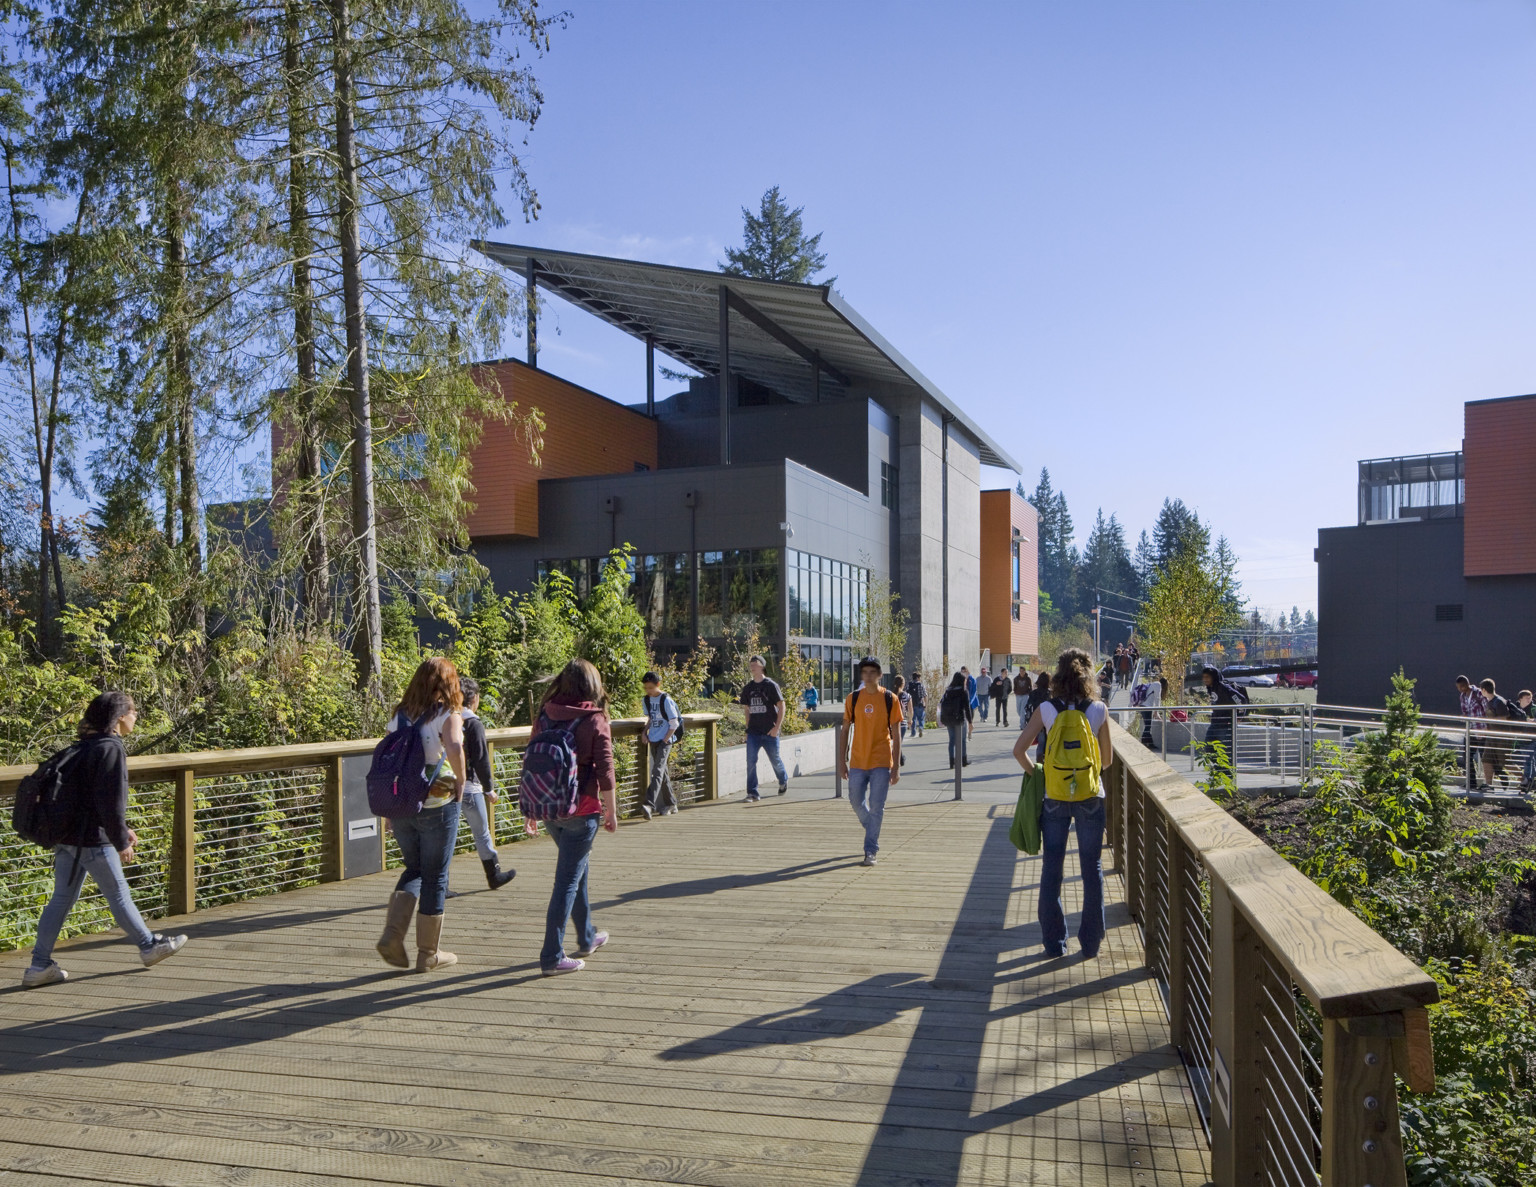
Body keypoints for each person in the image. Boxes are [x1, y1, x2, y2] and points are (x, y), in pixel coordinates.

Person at [22, 691, 188, 989]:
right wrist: (120, 840)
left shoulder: (85, 747)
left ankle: (39, 965)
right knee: (118, 894)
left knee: (60, 900)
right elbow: (111, 803)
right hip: (93, 840)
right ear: (120, 717)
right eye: (133, 711)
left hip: (68, 837)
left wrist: (122, 830)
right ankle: (149, 945)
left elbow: (91, 800)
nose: (136, 716)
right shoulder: (111, 748)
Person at [1013, 648, 1114, 959]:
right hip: (1089, 796)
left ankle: (1055, 943)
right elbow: (1107, 761)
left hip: (1055, 796)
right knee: (1092, 867)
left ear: (1058, 675)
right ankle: (1091, 943)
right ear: (1088, 677)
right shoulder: (1098, 709)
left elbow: (1019, 751)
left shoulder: (1046, 708)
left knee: (1051, 868)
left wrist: (1041, 775)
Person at [376, 658, 467, 973]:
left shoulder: (399, 717)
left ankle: (392, 933)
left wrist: (389, 810)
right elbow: (454, 745)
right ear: (449, 685)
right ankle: (428, 953)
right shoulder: (447, 714)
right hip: (437, 805)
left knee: (413, 868)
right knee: (435, 874)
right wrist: (461, 779)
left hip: (401, 806)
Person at [528, 658, 618, 976]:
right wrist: (611, 810)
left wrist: (530, 809)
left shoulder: (545, 713)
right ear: (591, 685)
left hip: (551, 809)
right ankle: (552, 956)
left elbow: (532, 760)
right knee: (567, 880)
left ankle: (588, 936)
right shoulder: (595, 719)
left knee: (576, 871)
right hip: (583, 810)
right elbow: (605, 769)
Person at [839, 657, 902, 866]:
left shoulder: (890, 699)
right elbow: (845, 730)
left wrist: (896, 767)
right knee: (855, 801)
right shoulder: (853, 698)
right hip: (857, 760)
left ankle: (870, 850)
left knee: (877, 806)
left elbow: (896, 732)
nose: (868, 675)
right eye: (864, 672)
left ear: (880, 675)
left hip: (881, 761)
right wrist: (841, 760)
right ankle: (872, 827)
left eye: (872, 672)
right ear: (861, 675)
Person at [458, 678, 516, 889]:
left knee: (445, 839)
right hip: (470, 788)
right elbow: (481, 760)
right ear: (474, 699)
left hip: (447, 787)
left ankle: (440, 885)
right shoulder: (474, 724)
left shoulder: (447, 720)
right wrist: (489, 789)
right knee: (481, 832)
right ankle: (494, 875)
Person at [740, 656, 787, 801]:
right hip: (754, 732)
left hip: (769, 731)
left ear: (762, 666)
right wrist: (747, 729)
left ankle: (783, 780)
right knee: (751, 762)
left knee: (775, 760)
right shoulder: (748, 688)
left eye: (755, 664)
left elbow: (781, 706)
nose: (752, 666)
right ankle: (752, 792)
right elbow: (747, 709)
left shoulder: (771, 685)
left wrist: (776, 728)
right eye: (751, 664)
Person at [640, 671, 682, 820]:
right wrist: (645, 732)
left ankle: (649, 804)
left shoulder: (666, 700)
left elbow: (674, 722)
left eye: (651, 687)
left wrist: (666, 739)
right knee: (662, 773)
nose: (648, 691)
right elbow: (651, 719)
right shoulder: (646, 700)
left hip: (665, 741)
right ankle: (671, 803)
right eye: (646, 688)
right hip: (654, 739)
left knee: (657, 771)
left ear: (658, 685)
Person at [1201, 665, 1244, 780]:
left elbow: (1241, 700)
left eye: (1207, 677)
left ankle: (1228, 775)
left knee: (1225, 751)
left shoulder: (1223, 687)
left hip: (1225, 724)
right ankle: (1222, 771)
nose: (1205, 679)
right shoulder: (1211, 688)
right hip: (1215, 723)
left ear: (1213, 677)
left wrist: (1239, 715)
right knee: (1209, 748)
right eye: (1203, 677)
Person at [1456, 675, 1491, 789]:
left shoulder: (1479, 693)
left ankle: (1488, 783)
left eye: (1462, 686)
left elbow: (1487, 710)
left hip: (1482, 729)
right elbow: (1465, 711)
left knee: (1484, 756)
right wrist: (1463, 717)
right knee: (1467, 755)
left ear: (1467, 683)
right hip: (1471, 729)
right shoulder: (1462, 696)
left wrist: (1486, 727)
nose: (1461, 689)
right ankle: (1471, 782)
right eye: (1458, 687)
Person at [938, 672, 974, 769]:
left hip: (949, 719)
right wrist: (970, 722)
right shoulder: (963, 691)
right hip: (959, 718)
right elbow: (967, 708)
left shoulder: (948, 690)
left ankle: (951, 761)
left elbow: (941, 703)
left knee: (952, 740)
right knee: (962, 740)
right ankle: (963, 760)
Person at [1131, 676, 1167, 749]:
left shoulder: (1153, 684)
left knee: (1147, 726)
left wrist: (1155, 711)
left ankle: (1149, 743)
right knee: (1148, 726)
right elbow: (1157, 699)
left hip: (1142, 706)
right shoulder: (1158, 685)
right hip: (1147, 707)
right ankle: (1143, 742)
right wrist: (1156, 712)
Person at [908, 671, 927, 739]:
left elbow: (907, 694)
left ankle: (913, 732)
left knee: (913, 719)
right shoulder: (921, 685)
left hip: (912, 704)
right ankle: (921, 728)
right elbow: (925, 695)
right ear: (918, 677)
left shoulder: (909, 684)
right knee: (921, 718)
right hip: (920, 704)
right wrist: (925, 703)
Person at [895, 675, 913, 742]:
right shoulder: (907, 696)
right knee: (899, 743)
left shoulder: (890, 695)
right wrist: (910, 720)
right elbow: (910, 710)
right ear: (903, 684)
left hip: (892, 723)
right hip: (902, 722)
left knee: (894, 743)